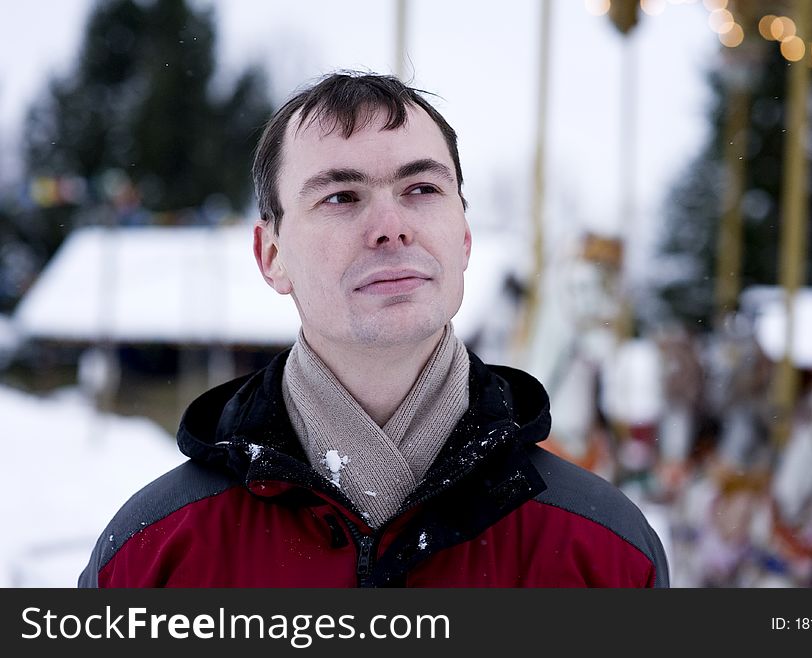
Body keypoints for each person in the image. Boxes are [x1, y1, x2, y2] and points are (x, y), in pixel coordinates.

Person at [78, 71, 669, 587]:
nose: (392, 227)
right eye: (341, 196)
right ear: (272, 255)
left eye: (421, 189)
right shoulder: (153, 557)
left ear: (464, 237)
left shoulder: (603, 554)